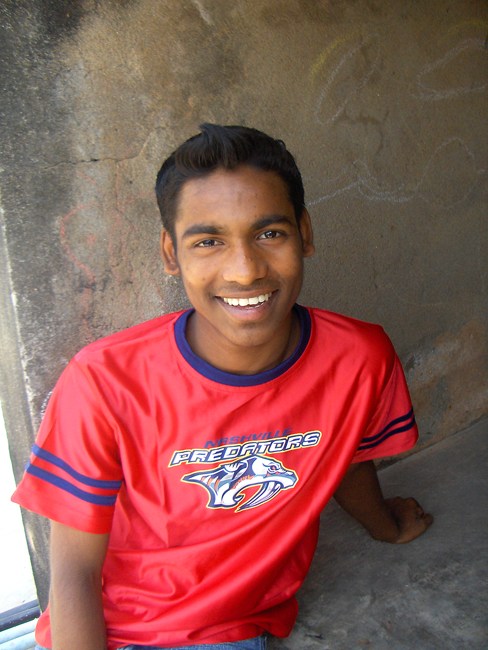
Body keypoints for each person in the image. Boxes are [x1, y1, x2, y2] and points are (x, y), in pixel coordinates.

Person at [12, 124, 433, 650]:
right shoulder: (104, 380)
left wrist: (384, 524)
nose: (244, 270)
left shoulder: (359, 357)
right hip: (113, 627)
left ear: (304, 233)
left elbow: (345, 457)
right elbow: (74, 570)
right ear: (171, 254)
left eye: (269, 234)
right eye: (208, 242)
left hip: (226, 628)